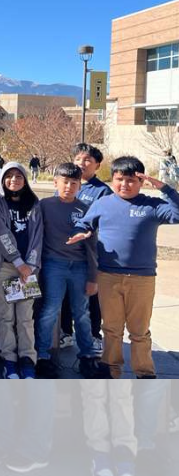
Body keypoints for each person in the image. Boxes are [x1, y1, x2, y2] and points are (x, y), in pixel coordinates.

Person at [68, 155, 179, 379]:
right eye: (119, 179)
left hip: (142, 279)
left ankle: (144, 373)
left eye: (130, 180)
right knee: (111, 328)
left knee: (139, 331)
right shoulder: (103, 203)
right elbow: (85, 222)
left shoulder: (152, 205)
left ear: (140, 181)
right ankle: (110, 369)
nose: (124, 185)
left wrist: (164, 188)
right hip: (108, 275)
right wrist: (82, 231)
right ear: (112, 179)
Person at [35, 163, 103, 379]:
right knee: (50, 310)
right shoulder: (44, 205)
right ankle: (43, 356)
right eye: (65, 182)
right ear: (56, 183)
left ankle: (87, 356)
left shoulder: (85, 209)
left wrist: (93, 276)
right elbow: (35, 236)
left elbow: (92, 247)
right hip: (53, 264)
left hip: (80, 266)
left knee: (81, 313)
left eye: (74, 183)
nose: (69, 187)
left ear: (80, 185)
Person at [0, 162, 43, 379]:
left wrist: (30, 264)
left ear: (25, 179)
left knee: (26, 318)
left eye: (18, 176)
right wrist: (18, 261)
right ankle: (9, 360)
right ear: (2, 179)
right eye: (8, 176)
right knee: (5, 317)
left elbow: (38, 236)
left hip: (28, 269)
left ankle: (28, 359)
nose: (13, 180)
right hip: (4, 266)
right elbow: (0, 232)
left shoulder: (34, 203)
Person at [60, 143, 111, 351]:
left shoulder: (102, 191)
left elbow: (105, 222)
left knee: (91, 295)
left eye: (88, 160)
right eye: (79, 159)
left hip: (90, 253)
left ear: (97, 165)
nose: (82, 163)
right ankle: (65, 332)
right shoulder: (65, 184)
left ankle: (93, 335)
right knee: (64, 296)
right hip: (64, 252)